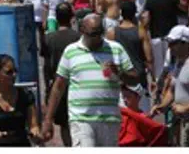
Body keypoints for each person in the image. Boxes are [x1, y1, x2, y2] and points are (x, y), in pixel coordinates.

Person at [42, 13, 138, 147]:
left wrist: (119, 73)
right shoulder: (71, 51)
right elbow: (58, 86)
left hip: (109, 119)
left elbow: (134, 78)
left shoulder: (115, 49)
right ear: (82, 30)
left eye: (100, 33)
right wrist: (48, 120)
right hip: (81, 119)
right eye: (93, 34)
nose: (97, 38)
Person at [0, 54, 40, 147]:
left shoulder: (26, 96)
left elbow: (33, 125)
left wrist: (35, 132)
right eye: (9, 72)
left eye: (15, 71)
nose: (13, 75)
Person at [44, 3, 81, 147]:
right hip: (76, 84)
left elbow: (46, 67)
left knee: (64, 125)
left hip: (58, 85)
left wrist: (49, 88)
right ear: (72, 18)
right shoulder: (79, 37)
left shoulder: (49, 38)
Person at [107, 1, 154, 112]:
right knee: (141, 115)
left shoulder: (112, 33)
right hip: (139, 78)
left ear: (121, 14)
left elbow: (108, 58)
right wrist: (154, 79)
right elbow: (149, 59)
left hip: (120, 79)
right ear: (134, 14)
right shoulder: (141, 32)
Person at [143, 0, 180, 81]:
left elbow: (146, 19)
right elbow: (184, 8)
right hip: (171, 36)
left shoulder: (150, 1)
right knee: (172, 62)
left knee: (159, 64)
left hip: (156, 36)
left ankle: (160, 87)